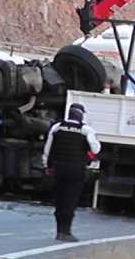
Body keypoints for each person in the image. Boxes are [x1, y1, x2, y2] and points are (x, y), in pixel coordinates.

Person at [43, 103, 101, 242]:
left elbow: (47, 149)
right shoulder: (85, 130)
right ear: (81, 115)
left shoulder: (57, 127)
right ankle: (66, 232)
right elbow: (95, 149)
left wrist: (46, 166)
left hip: (58, 169)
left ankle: (59, 231)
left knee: (59, 200)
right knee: (70, 201)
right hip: (76, 170)